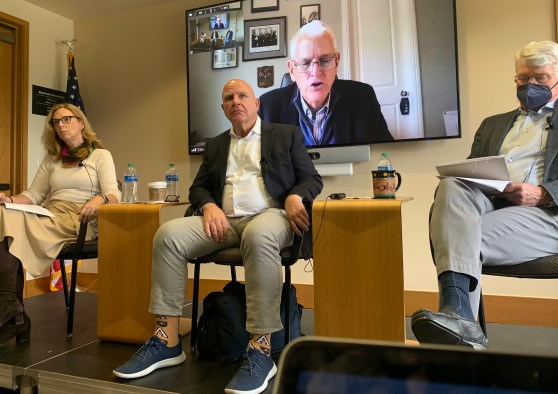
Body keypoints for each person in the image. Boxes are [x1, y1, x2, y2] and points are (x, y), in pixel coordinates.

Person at [113, 79, 323, 394]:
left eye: (242, 95)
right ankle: (167, 340)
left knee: (258, 235)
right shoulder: (214, 145)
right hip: (223, 222)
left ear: (256, 103)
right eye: (228, 97)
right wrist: (209, 206)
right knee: (167, 235)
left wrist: (295, 196)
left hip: (271, 217)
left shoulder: (286, 135)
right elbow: (197, 188)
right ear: (223, 108)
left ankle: (261, 349)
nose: (236, 100)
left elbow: (311, 178)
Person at [410, 41, 558, 349]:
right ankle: (461, 321)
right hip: (494, 208)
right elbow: (470, 177)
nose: (530, 85)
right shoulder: (493, 124)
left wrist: (544, 194)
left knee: (457, 236)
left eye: (540, 78)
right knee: (452, 186)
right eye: (523, 79)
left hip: (554, 217)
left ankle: (460, 323)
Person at [0, 103, 120, 344]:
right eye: (56, 122)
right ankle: (13, 314)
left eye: (66, 119)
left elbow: (113, 193)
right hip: (50, 213)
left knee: (10, 232)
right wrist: (8, 199)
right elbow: (33, 195)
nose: (61, 125)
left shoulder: (100, 155)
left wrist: (99, 199)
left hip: (81, 218)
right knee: (3, 215)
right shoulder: (52, 159)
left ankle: (12, 317)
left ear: (81, 123)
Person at [258, 20, 393, 147]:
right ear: (292, 70)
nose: (316, 72)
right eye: (305, 63)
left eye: (325, 60)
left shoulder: (363, 98)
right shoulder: (268, 107)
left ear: (336, 62)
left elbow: (387, 153)